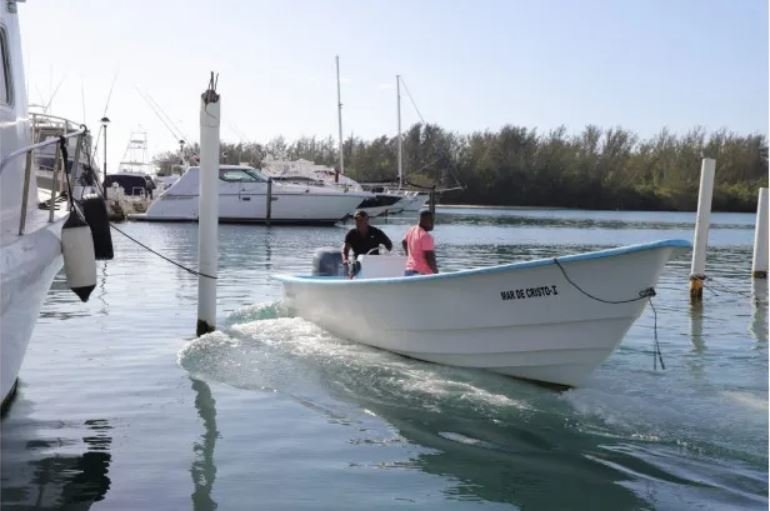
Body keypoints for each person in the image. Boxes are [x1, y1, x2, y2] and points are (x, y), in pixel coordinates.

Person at [342, 210, 393, 274]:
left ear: (367, 220)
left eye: (361, 220)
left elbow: (389, 245)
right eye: (356, 220)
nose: (358, 222)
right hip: (358, 263)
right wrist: (345, 259)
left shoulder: (376, 232)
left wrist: (384, 257)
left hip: (374, 263)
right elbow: (345, 250)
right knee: (352, 269)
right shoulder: (351, 234)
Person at [401, 209, 438, 276]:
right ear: (423, 220)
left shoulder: (411, 230)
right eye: (431, 220)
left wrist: (409, 255)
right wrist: (437, 274)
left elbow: (404, 242)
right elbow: (430, 258)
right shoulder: (426, 236)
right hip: (420, 273)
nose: (433, 223)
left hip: (409, 271)